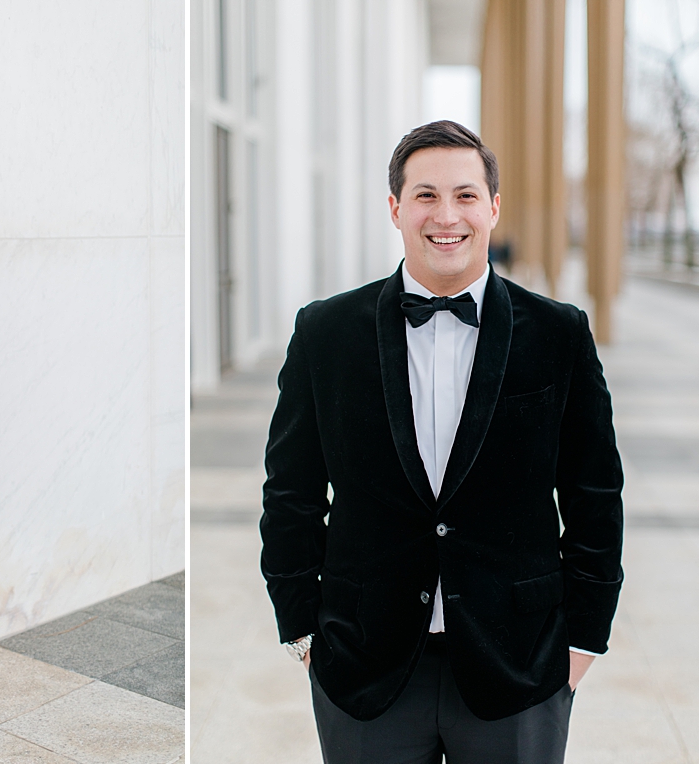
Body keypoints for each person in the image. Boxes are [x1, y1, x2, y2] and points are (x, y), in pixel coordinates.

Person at [260, 121, 623, 763]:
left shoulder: (560, 333)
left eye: (465, 194)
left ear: (492, 207)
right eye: (425, 195)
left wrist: (583, 642)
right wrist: (303, 629)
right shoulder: (325, 333)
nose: (446, 215)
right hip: (364, 667)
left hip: (521, 664)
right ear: (396, 209)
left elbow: (596, 496)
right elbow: (290, 491)